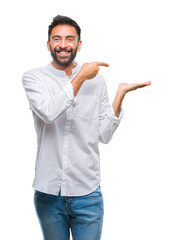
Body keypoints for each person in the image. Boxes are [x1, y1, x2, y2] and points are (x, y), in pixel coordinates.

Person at [22, 15, 151, 240]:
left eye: (70, 39)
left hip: (87, 193)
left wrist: (119, 96)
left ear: (78, 45)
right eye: (57, 39)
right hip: (48, 194)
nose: (63, 44)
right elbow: (49, 112)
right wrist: (81, 76)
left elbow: (104, 134)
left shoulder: (97, 81)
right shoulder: (34, 78)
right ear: (48, 44)